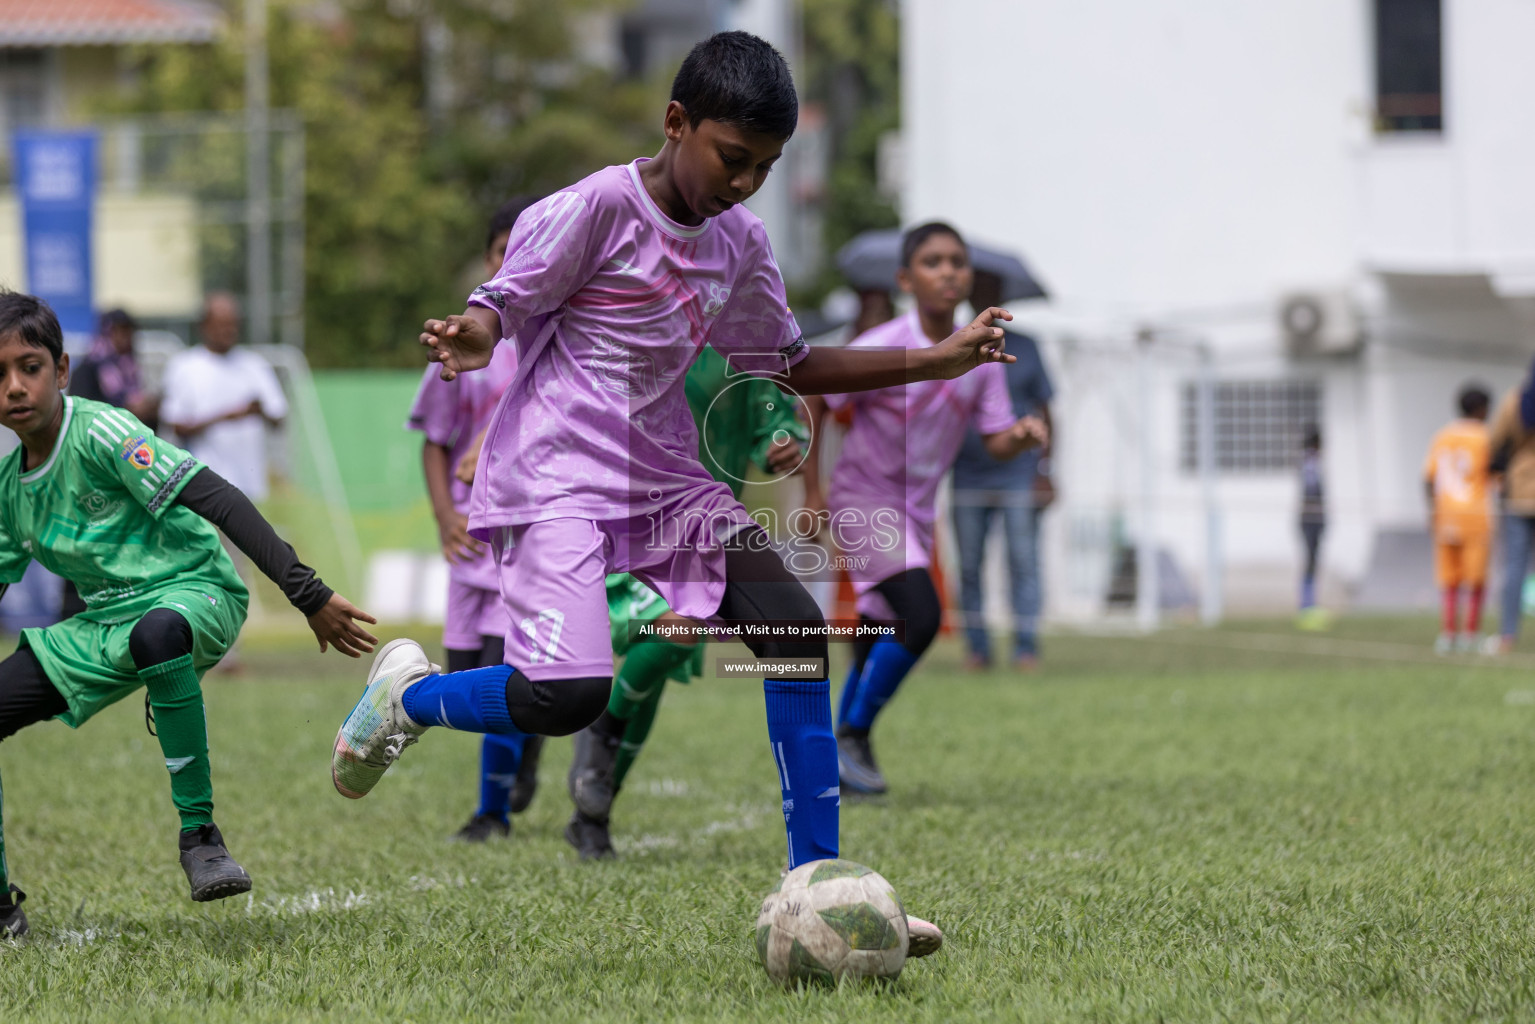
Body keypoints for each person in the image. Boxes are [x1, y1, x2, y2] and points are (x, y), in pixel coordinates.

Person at [328, 32, 1014, 931]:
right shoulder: (591, 209)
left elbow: (789, 363)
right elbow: (504, 300)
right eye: (732, 158)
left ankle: (820, 888)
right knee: (563, 699)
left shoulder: (741, 243)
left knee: (794, 631)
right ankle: (407, 699)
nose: (743, 184)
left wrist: (932, 362)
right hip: (556, 478)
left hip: (665, 483)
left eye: (764, 167)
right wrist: (476, 333)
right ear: (675, 122)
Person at [0, 291, 377, 940]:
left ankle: (201, 837)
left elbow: (218, 498)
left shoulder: (103, 432)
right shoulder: (11, 490)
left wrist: (307, 594)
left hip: (195, 592)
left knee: (157, 631)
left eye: (29, 367)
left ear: (61, 371)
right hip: (99, 629)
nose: (13, 387)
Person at [802, 222, 1046, 796]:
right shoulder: (881, 344)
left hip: (915, 511)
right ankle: (854, 734)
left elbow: (994, 439)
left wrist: (1023, 435)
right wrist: (810, 491)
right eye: (933, 262)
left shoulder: (982, 355)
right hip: (862, 499)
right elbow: (814, 390)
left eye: (957, 262)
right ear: (906, 279)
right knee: (924, 613)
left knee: (876, 628)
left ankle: (840, 755)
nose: (948, 272)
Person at [563, 344, 807, 860]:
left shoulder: (742, 343)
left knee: (655, 676)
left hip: (704, 522)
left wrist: (784, 441)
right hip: (627, 517)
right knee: (674, 631)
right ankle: (596, 735)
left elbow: (772, 414)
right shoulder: (638, 323)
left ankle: (593, 815)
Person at [408, 196, 546, 842]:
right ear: (490, 265)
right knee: (465, 675)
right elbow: (434, 440)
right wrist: (442, 516)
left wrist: (491, 440)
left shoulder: (553, 340)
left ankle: (490, 814)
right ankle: (530, 740)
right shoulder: (466, 342)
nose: (513, 263)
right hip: (468, 540)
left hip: (525, 536)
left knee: (504, 673)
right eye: (502, 253)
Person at [949, 269, 1055, 670]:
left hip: (1018, 473)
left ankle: (1025, 647)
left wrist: (1045, 469)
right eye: (980, 290)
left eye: (993, 289)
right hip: (967, 472)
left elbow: (1047, 411)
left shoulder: (1027, 347)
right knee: (970, 565)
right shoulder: (953, 345)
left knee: (1023, 559)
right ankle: (978, 649)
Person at [160, 293, 287, 503]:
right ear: (204, 326)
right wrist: (225, 417)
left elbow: (278, 418)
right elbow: (175, 426)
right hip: (205, 486)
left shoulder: (254, 365)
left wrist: (259, 410)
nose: (229, 331)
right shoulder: (185, 366)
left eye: (233, 324)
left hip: (249, 485)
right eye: (221, 325)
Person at [1424, 385, 1493, 654]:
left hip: (1445, 515)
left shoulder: (1442, 436)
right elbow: (1494, 474)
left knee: (1449, 579)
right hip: (1475, 516)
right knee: (1475, 579)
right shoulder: (1484, 437)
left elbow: (1428, 478)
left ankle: (1448, 633)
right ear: (1481, 409)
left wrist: (1431, 512)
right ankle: (1469, 634)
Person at [1486, 364, 1535, 653]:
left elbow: (1495, 444)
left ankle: (1507, 635)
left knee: (1515, 566)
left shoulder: (1515, 401)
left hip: (1519, 491)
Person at [69, 308, 158, 427]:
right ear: (107, 332)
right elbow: (82, 415)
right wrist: (128, 408)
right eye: (121, 331)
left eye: (129, 331)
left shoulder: (129, 367)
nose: (127, 337)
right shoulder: (86, 370)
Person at [1297, 426, 1328, 629]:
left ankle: (1310, 605)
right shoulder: (1310, 463)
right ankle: (1307, 607)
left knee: (1312, 562)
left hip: (1312, 518)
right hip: (1310, 519)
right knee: (1309, 562)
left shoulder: (1310, 462)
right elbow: (1311, 491)